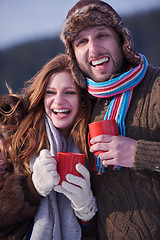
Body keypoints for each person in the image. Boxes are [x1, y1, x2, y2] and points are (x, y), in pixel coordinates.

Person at [60, 0, 160, 239]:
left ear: (121, 40)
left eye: (101, 35)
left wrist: (140, 153)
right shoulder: (81, 106)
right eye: (81, 42)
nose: (93, 50)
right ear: (73, 54)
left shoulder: (156, 86)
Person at [0, 54, 97, 239]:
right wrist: (32, 187)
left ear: (82, 99)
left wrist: (86, 210)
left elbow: (97, 232)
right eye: (50, 92)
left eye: (69, 92)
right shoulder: (15, 133)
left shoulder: (92, 146)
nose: (59, 101)